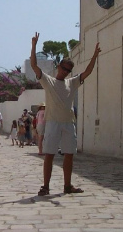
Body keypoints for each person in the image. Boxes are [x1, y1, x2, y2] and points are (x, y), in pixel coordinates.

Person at [31, 32, 100, 196]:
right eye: (64, 68)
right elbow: (34, 66)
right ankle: (46, 186)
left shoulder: (72, 82)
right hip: (53, 122)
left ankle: (67, 186)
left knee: (69, 154)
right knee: (49, 154)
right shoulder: (49, 81)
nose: (65, 72)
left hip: (69, 122)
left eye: (68, 70)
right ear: (58, 67)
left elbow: (87, 72)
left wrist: (95, 56)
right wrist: (34, 45)